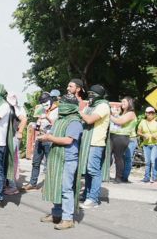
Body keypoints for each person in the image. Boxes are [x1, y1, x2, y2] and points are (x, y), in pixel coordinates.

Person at [39, 94, 83, 230]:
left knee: (66, 189)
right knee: (56, 187)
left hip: (68, 159)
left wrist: (48, 138)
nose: (61, 106)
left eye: (63, 103)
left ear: (70, 106)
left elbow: (68, 140)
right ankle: (57, 214)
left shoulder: (74, 121)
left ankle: (68, 218)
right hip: (56, 157)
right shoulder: (60, 119)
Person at [79, 84, 112, 209]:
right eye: (89, 93)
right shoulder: (91, 105)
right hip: (87, 142)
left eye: (93, 94)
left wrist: (78, 111)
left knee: (93, 171)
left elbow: (89, 120)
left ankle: (93, 199)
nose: (90, 96)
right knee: (87, 171)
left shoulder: (103, 106)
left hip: (96, 142)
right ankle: (87, 194)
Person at [26, 92, 57, 191]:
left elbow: (55, 124)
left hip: (49, 139)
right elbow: (38, 125)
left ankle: (48, 185)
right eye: (42, 102)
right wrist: (37, 124)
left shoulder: (57, 110)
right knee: (35, 162)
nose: (44, 104)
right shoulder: (42, 109)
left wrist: (46, 117)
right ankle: (32, 183)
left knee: (49, 164)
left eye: (45, 101)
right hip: (40, 138)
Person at [109, 96, 137, 182]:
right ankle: (105, 174)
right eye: (122, 102)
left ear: (130, 103)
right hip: (114, 135)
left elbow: (119, 122)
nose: (122, 103)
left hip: (122, 137)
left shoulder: (131, 113)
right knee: (108, 156)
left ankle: (118, 177)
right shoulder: (124, 113)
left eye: (124, 102)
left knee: (118, 157)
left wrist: (109, 115)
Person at [4, 93, 27, 195]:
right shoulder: (13, 108)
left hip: (13, 137)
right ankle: (8, 184)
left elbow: (24, 119)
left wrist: (20, 132)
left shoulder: (16, 109)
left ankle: (12, 187)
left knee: (11, 161)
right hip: (11, 137)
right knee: (8, 161)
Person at [138, 106, 157, 183]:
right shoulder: (142, 122)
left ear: (154, 114)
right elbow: (138, 132)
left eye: (152, 113)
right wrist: (143, 135)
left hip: (155, 144)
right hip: (146, 144)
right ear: (146, 114)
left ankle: (154, 177)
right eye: (149, 113)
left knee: (153, 161)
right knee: (147, 162)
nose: (150, 114)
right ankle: (146, 177)